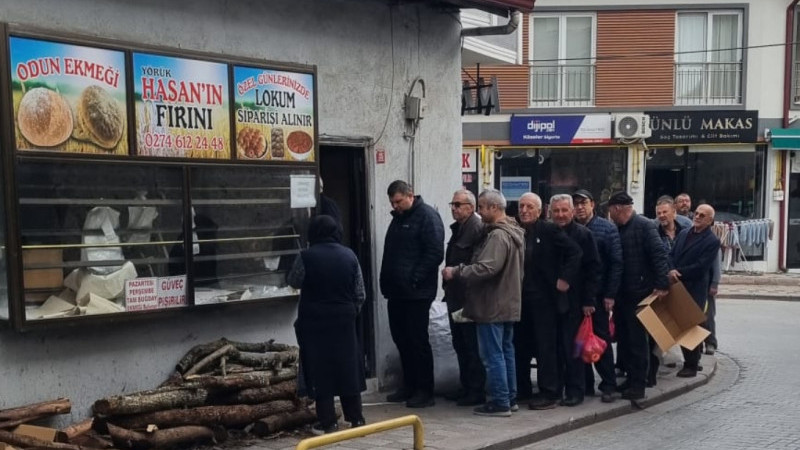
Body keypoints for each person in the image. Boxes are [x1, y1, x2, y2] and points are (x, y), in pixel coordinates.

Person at [442, 189, 525, 417]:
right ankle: (509, 398)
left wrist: (458, 271)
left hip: (493, 304)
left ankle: (500, 402)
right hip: (507, 302)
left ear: (494, 208)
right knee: (505, 351)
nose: (479, 212)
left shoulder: (498, 236)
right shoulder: (512, 231)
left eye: (481, 207)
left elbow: (487, 267)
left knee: (493, 355)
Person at [288, 215, 366, 435]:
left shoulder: (306, 256)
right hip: (344, 320)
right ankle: (356, 418)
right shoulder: (349, 255)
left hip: (314, 321)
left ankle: (328, 421)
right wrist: (348, 313)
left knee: (320, 370)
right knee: (347, 367)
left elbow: (294, 280)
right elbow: (360, 293)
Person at [379, 180, 444, 408]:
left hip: (417, 293)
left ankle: (424, 390)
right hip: (396, 292)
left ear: (410, 195)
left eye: (398, 201)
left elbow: (435, 252)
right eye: (392, 202)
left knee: (417, 341)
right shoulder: (399, 219)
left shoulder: (426, 217)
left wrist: (414, 278)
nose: (395, 206)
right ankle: (409, 385)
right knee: (402, 340)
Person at [516, 192, 582, 410]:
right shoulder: (517, 230)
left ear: (540, 210)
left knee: (546, 348)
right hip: (521, 299)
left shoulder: (549, 230)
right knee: (522, 346)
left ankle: (550, 392)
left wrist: (564, 279)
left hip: (544, 300)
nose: (524, 210)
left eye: (529, 207)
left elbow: (575, 253)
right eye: (521, 206)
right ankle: (522, 389)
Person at [607, 191, 670, 400]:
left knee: (637, 342)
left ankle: (639, 384)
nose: (609, 215)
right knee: (624, 340)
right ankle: (631, 378)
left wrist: (662, 285)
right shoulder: (619, 228)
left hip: (641, 294)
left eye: (610, 211)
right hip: (623, 294)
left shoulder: (644, 226)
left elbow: (659, 254)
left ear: (617, 209)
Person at [549, 194, 601, 407]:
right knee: (556, 347)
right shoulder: (548, 233)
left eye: (564, 210)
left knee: (574, 348)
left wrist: (589, 300)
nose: (560, 215)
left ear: (571, 212)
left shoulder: (583, 235)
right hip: (552, 300)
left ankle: (576, 390)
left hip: (576, 300)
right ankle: (558, 386)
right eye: (556, 211)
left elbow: (593, 269)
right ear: (550, 213)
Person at [573, 189, 622, 403]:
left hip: (600, 296)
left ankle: (609, 384)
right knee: (579, 341)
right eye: (576, 203)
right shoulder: (570, 229)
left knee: (600, 341)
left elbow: (616, 264)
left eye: (583, 203)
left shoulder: (607, 228)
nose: (579, 207)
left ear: (593, 204)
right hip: (576, 296)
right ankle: (585, 385)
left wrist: (611, 294)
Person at [442, 189, 486, 406]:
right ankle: (466, 385)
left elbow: (476, 263)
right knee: (460, 343)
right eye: (453, 204)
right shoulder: (460, 228)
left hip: (468, 297)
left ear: (470, 206)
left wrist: (455, 272)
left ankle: (476, 389)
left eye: (458, 204)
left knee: (471, 345)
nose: (454, 208)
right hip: (455, 295)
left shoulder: (476, 227)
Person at [668, 204, 721, 378]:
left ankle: (691, 365)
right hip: (677, 285)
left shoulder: (712, 241)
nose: (697, 217)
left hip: (694, 288)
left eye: (702, 215)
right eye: (696, 213)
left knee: (690, 327)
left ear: (710, 220)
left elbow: (701, 266)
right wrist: (671, 269)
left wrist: (679, 273)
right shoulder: (684, 233)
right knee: (681, 326)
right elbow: (671, 254)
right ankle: (693, 360)